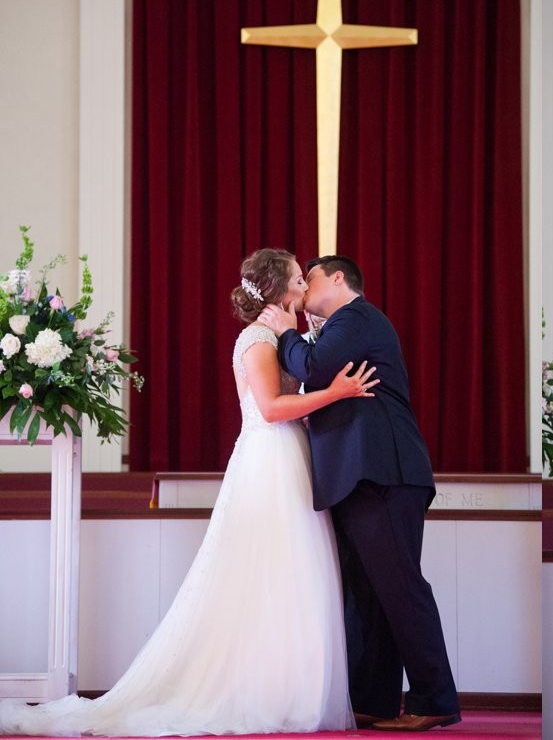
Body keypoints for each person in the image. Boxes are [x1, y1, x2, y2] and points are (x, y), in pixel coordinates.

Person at [0, 248, 377, 736]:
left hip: (291, 457)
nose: (306, 286)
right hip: (271, 460)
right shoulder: (258, 338)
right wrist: (335, 394)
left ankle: (289, 687)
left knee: (294, 572)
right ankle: (264, 691)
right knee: (271, 570)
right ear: (280, 289)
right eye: (299, 279)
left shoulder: (282, 337)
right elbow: (269, 409)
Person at [258, 255, 460, 733]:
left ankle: (435, 698)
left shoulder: (356, 317)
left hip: (383, 471)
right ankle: (373, 699)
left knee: (400, 586)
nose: (303, 288)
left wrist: (285, 332)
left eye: (310, 279)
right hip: (360, 474)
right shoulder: (340, 325)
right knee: (367, 592)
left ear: (338, 278)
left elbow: (313, 367)